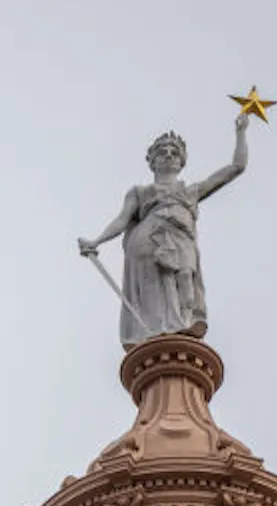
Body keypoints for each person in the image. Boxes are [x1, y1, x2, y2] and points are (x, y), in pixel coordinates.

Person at [78, 114, 250, 347]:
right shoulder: (140, 192)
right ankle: (159, 331)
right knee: (156, 291)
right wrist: (97, 241)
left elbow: (236, 168)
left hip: (181, 240)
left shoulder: (190, 192)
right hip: (148, 241)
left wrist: (240, 133)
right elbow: (121, 220)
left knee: (186, 283)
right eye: (162, 151)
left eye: (174, 152)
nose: (169, 154)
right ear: (152, 160)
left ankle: (184, 322)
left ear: (182, 161)